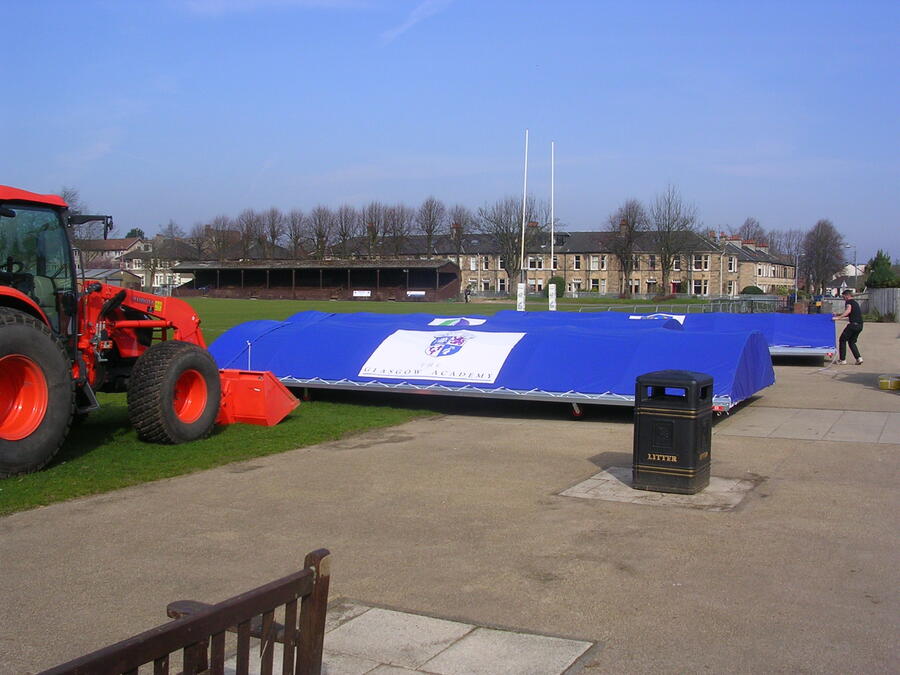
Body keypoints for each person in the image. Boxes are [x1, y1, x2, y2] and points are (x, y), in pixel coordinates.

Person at [832, 289, 863, 365]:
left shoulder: (849, 302)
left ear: (847, 295)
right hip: (860, 326)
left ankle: (842, 360)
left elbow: (848, 311)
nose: (843, 298)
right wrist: (838, 314)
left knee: (842, 339)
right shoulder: (855, 303)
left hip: (852, 325)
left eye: (843, 296)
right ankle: (859, 358)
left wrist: (838, 318)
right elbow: (850, 314)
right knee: (852, 342)